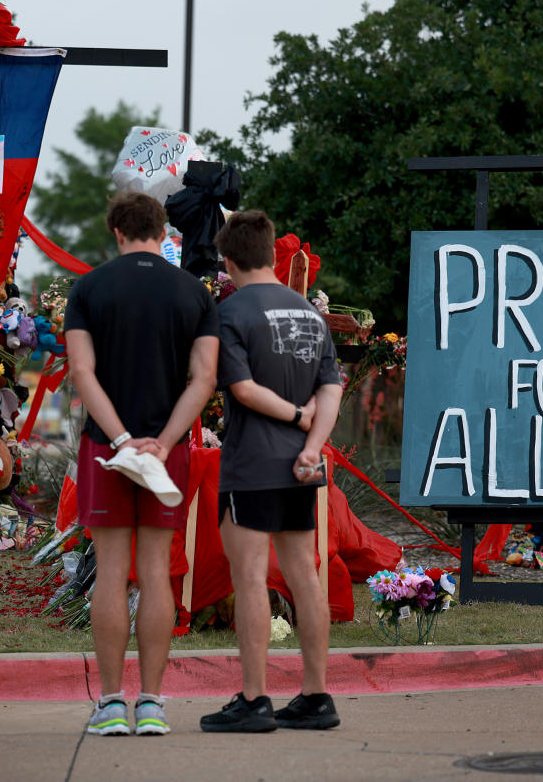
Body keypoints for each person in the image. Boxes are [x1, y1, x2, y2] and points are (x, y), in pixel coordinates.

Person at [64, 191, 219, 736]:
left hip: (107, 447)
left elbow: (82, 373)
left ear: (117, 232)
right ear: (162, 231)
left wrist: (123, 438)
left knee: (111, 574)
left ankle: (110, 705)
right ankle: (151, 702)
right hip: (168, 449)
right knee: (156, 573)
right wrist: (163, 440)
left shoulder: (89, 288)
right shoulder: (194, 292)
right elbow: (204, 378)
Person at [199, 210, 344, 733]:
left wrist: (294, 417)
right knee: (304, 574)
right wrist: (312, 444)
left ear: (230, 260)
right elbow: (333, 387)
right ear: (271, 255)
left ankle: (255, 698)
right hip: (300, 468)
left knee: (251, 577)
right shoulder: (309, 312)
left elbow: (241, 389)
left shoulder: (232, 313)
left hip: (253, 464)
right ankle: (316, 694)